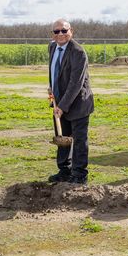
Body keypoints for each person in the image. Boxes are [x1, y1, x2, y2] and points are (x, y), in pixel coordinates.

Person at [47, 19, 94, 185]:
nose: (60, 34)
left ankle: (80, 174)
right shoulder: (52, 47)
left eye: (64, 30)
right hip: (59, 102)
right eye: (56, 31)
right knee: (63, 138)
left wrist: (63, 106)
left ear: (71, 31)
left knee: (79, 141)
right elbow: (54, 72)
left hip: (78, 104)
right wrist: (52, 88)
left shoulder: (78, 52)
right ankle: (64, 171)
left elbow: (76, 83)